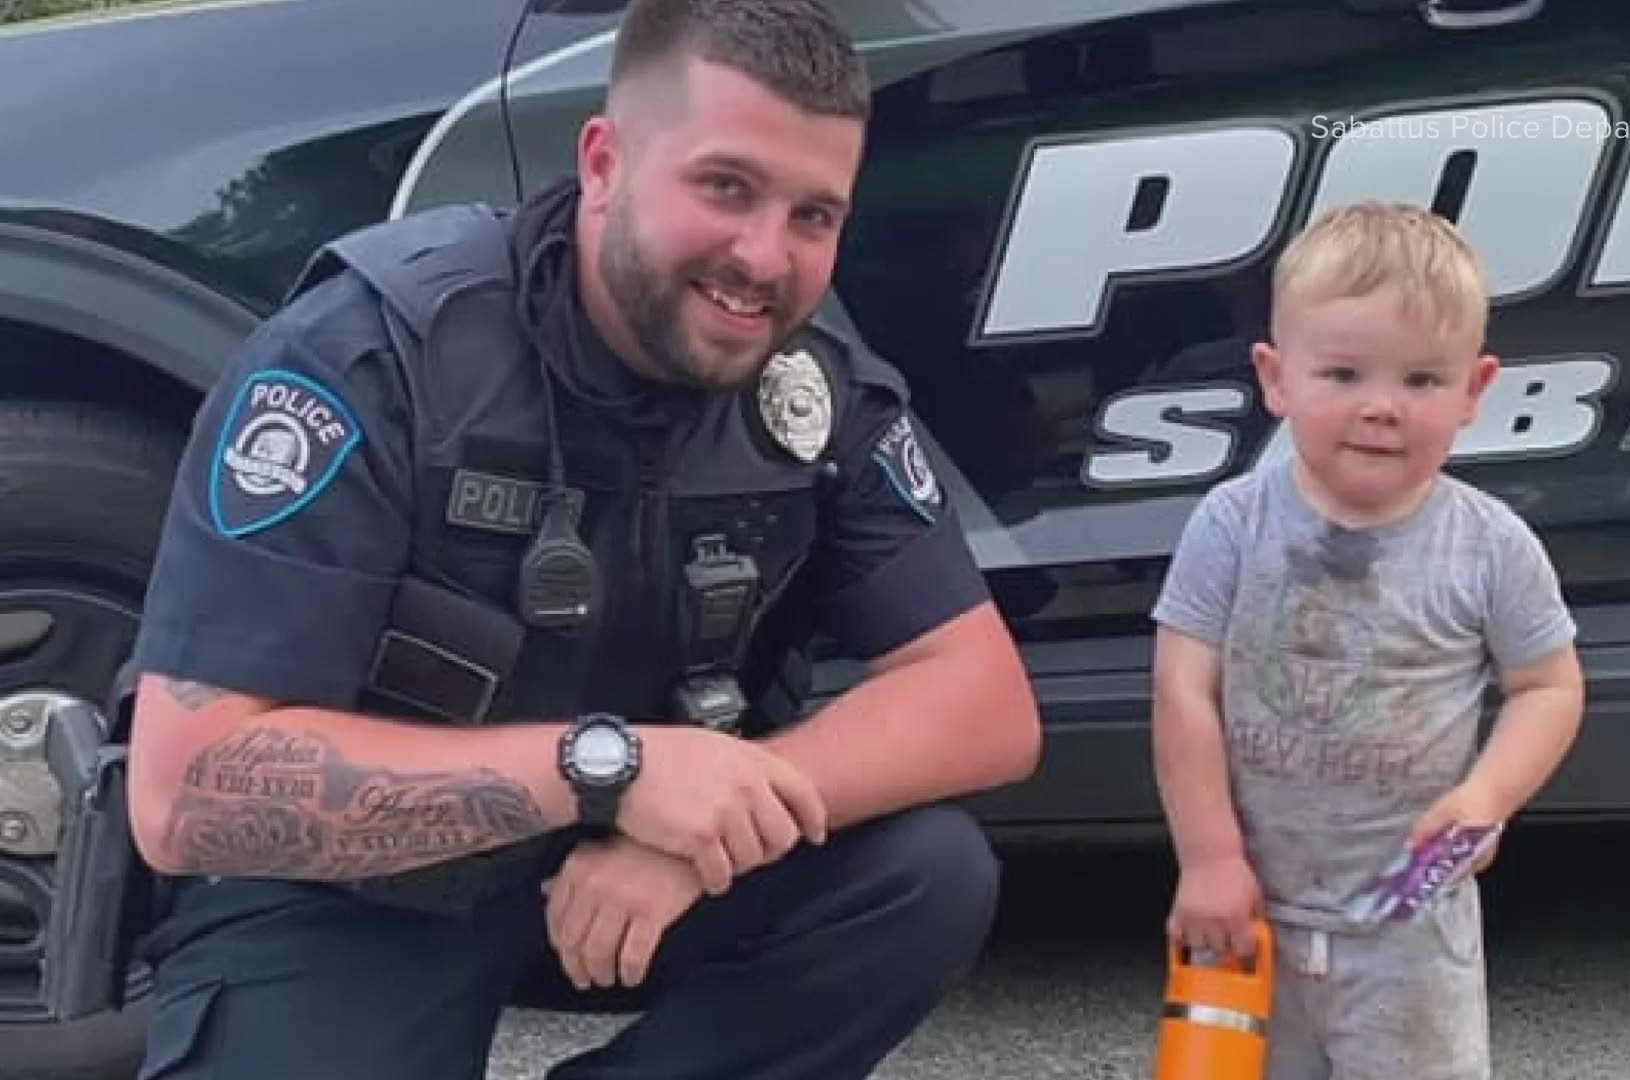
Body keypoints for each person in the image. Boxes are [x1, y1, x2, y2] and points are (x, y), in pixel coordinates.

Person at [118, 1, 1041, 1077]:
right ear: (603, 162)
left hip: (621, 850)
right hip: (357, 889)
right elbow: (185, 792)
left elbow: (982, 701)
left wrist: (694, 832)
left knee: (922, 876)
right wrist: (610, 769)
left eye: (814, 215)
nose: (764, 258)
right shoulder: (371, 355)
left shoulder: (810, 389)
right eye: (725, 187)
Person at [1148, 201, 1585, 1079]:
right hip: (1247, 913)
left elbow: (1549, 686)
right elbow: (1181, 689)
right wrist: (1208, 859)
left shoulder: (1491, 547)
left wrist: (1487, 796)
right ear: (1275, 378)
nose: (1381, 408)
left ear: (1474, 391)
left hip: (1410, 931)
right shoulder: (1232, 524)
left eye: (1422, 381)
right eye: (1343, 374)